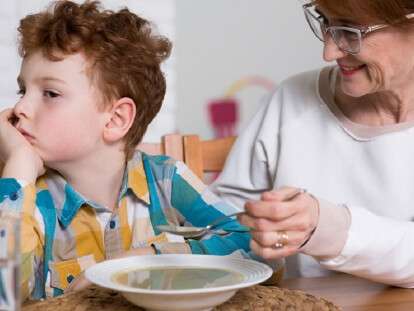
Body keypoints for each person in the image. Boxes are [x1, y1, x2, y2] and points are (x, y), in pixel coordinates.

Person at [0, 0, 250, 301]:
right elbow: (5, 293)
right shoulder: (29, 198)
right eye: (22, 91)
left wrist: (148, 258)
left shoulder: (165, 181)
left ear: (116, 119)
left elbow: (254, 247)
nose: (20, 107)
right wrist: (19, 165)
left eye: (50, 93)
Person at [210, 0, 414, 287]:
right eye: (326, 22)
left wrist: (326, 227)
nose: (329, 51)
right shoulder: (292, 100)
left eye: (351, 30)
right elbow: (222, 217)